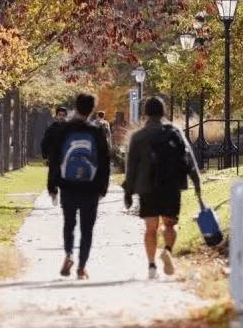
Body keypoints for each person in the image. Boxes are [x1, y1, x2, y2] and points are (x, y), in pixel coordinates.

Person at [123, 96, 202, 280]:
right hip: (171, 185)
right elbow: (189, 158)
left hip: (147, 187)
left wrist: (128, 191)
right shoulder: (174, 131)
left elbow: (131, 166)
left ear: (146, 113)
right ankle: (167, 250)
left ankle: (151, 266)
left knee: (150, 228)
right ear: (163, 111)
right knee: (170, 224)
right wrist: (197, 182)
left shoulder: (138, 136)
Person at [47, 93, 110, 280]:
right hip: (90, 186)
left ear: (76, 106)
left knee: (69, 223)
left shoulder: (64, 129)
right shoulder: (96, 132)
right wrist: (103, 187)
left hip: (68, 185)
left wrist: (52, 186)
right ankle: (81, 267)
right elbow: (104, 161)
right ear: (91, 110)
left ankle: (68, 254)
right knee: (87, 229)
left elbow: (55, 159)